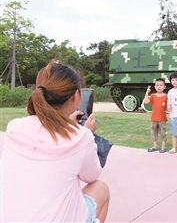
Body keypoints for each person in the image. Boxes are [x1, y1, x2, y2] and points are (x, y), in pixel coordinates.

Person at [1, 60, 110, 222]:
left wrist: (67, 124)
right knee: (101, 188)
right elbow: (91, 176)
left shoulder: (14, 127)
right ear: (75, 96)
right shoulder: (81, 136)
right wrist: (85, 131)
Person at [143, 78, 168, 153]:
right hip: (154, 118)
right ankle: (155, 146)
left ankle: (163, 147)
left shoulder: (166, 96)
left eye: (161, 85)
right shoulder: (153, 95)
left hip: (162, 118)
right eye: (157, 85)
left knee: (163, 133)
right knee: (154, 132)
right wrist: (147, 92)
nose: (159, 87)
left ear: (164, 87)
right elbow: (146, 101)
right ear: (155, 86)